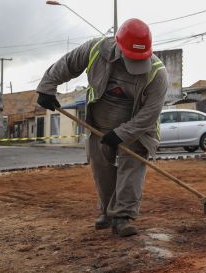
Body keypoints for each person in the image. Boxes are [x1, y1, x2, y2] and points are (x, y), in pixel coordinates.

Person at [36, 18, 168, 237]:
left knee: (131, 168)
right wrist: (47, 87)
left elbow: (150, 113)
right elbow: (68, 64)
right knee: (101, 169)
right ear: (118, 46)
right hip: (99, 123)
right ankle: (108, 213)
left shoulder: (157, 72)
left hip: (137, 129)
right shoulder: (96, 49)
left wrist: (123, 133)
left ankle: (122, 217)